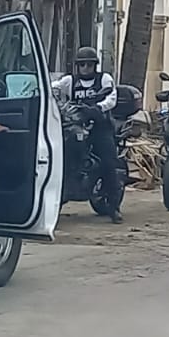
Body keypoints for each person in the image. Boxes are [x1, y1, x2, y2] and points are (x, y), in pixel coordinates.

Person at [51, 47, 125, 222]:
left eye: (89, 64)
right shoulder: (69, 81)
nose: (85, 67)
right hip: (74, 125)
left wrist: (97, 109)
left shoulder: (104, 79)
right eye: (82, 64)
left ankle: (114, 207)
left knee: (108, 162)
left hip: (100, 126)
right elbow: (53, 88)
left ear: (95, 65)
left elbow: (111, 98)